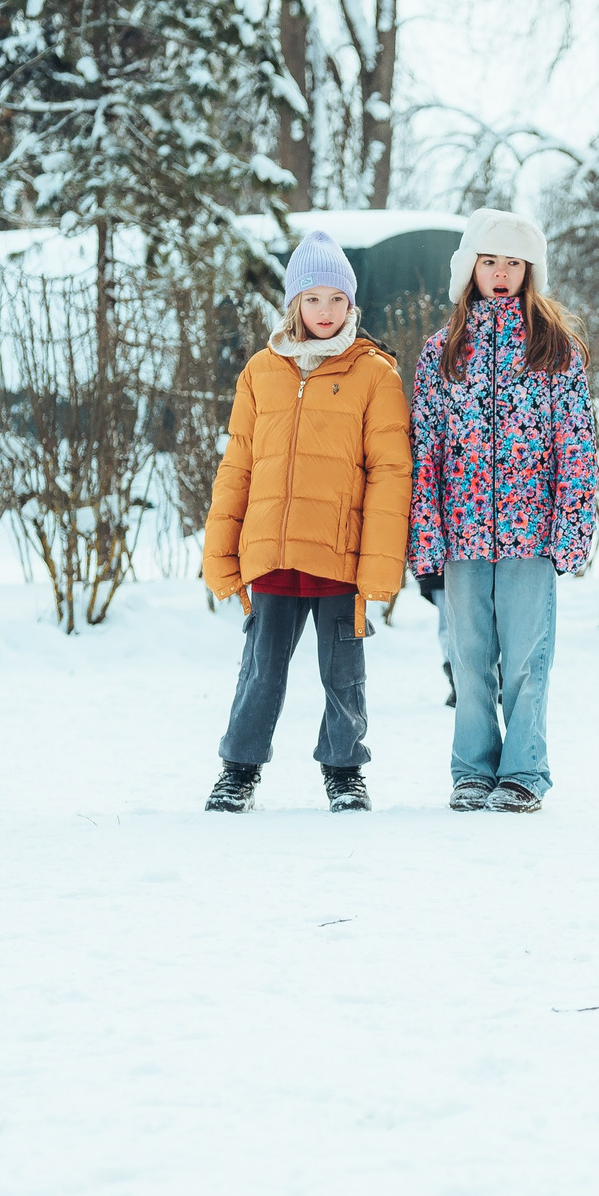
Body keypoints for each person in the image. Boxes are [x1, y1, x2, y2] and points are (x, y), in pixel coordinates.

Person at [201, 231, 411, 814]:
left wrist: (379, 563)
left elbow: (391, 474)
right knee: (260, 669)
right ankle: (239, 769)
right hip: (269, 550)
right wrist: (221, 550)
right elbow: (237, 464)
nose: (326, 311)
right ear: (294, 302)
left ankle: (345, 771)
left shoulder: (375, 374)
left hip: (339, 555)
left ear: (352, 304)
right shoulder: (261, 371)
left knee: (343, 672)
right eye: (313, 299)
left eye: (337, 299)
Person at [408, 209, 598, 813]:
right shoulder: (443, 353)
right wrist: (426, 534)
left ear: (529, 271)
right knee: (468, 661)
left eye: (512, 263)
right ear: (470, 268)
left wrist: (572, 526)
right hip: (462, 532)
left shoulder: (556, 350)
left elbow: (577, 444)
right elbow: (427, 449)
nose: (500, 273)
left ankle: (523, 771)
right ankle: (472, 768)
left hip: (530, 532)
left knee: (524, 660)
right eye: (489, 261)